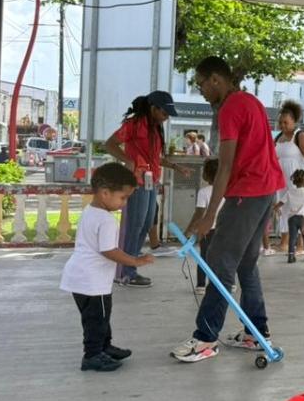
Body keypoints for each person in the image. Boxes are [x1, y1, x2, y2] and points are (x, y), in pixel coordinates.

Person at [174, 56, 285, 363]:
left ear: (216, 79)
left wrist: (208, 215)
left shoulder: (229, 109)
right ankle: (256, 333)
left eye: (201, 85)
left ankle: (205, 338)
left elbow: (224, 166)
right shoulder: (252, 102)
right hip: (265, 189)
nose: (201, 92)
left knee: (220, 264)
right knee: (246, 265)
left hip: (246, 193)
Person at [59, 162, 156, 372]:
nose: (125, 203)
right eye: (123, 197)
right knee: (97, 320)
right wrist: (136, 261)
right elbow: (109, 251)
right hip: (93, 282)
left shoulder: (90, 211)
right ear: (105, 193)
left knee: (99, 317)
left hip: (80, 277)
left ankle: (105, 347)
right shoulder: (106, 220)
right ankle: (93, 355)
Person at [104, 91, 190, 288]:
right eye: (164, 113)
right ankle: (125, 273)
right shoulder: (134, 124)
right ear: (153, 108)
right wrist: (128, 161)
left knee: (146, 224)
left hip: (152, 182)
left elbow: (155, 158)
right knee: (134, 226)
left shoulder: (156, 128)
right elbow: (110, 144)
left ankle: (131, 266)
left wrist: (175, 167)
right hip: (137, 182)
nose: (166, 117)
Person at [273, 100, 304, 251]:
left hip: (299, 181)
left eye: (285, 122)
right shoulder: (277, 138)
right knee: (284, 209)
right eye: (280, 122)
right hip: (282, 181)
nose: (282, 125)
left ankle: (301, 243)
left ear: (293, 121)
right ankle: (284, 241)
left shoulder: (300, 137)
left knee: (300, 210)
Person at [186, 159, 221, 292]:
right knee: (223, 256)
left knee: (204, 257)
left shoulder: (204, 192)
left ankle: (201, 285)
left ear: (205, 175)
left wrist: (190, 229)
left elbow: (199, 212)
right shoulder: (227, 190)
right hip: (224, 229)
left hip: (208, 230)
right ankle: (226, 283)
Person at [276, 169, 304, 264]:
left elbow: (281, 202)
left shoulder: (290, 191)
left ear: (294, 181)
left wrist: (276, 208)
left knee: (292, 237)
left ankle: (291, 256)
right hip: (303, 218)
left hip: (292, 218)